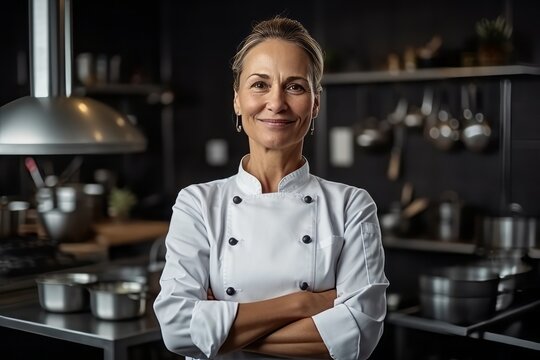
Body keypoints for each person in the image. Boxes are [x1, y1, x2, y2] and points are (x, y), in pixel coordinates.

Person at [153, 16, 389, 360]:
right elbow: (176, 329)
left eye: (295, 86)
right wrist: (303, 303)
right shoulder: (197, 203)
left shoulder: (351, 205)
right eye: (260, 85)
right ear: (237, 100)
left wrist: (215, 331)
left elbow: (360, 335)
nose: (276, 103)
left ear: (316, 103)